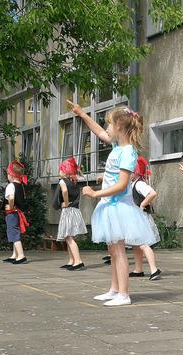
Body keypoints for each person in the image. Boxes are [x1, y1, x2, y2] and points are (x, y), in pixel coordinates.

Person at [68, 100, 157, 306]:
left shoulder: (128, 152)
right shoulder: (118, 146)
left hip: (119, 206)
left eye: (109, 124)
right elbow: (100, 132)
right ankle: (114, 289)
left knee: (118, 252)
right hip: (110, 206)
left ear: (118, 127)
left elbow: (122, 185)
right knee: (112, 251)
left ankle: (123, 294)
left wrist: (95, 193)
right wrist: (82, 114)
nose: (107, 128)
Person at [130, 156, 162, 281]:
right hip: (137, 218)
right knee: (136, 244)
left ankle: (154, 269)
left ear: (136, 172)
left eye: (130, 172)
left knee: (143, 244)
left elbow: (152, 193)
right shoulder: (134, 184)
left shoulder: (140, 184)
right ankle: (138, 269)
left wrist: (143, 204)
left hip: (141, 218)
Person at [55, 157, 87, 270]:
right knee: (70, 236)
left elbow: (64, 191)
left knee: (68, 237)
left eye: (60, 170)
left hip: (68, 211)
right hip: (75, 210)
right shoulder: (74, 182)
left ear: (65, 171)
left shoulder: (63, 181)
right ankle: (71, 260)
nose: (59, 172)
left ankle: (78, 261)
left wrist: (66, 202)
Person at [3, 160, 29, 265]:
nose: (7, 176)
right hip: (19, 212)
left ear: (11, 175)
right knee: (15, 232)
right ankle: (15, 254)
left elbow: (12, 197)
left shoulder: (10, 186)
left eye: (8, 174)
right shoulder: (20, 185)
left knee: (14, 233)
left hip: (12, 212)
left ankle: (21, 255)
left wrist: (11, 206)